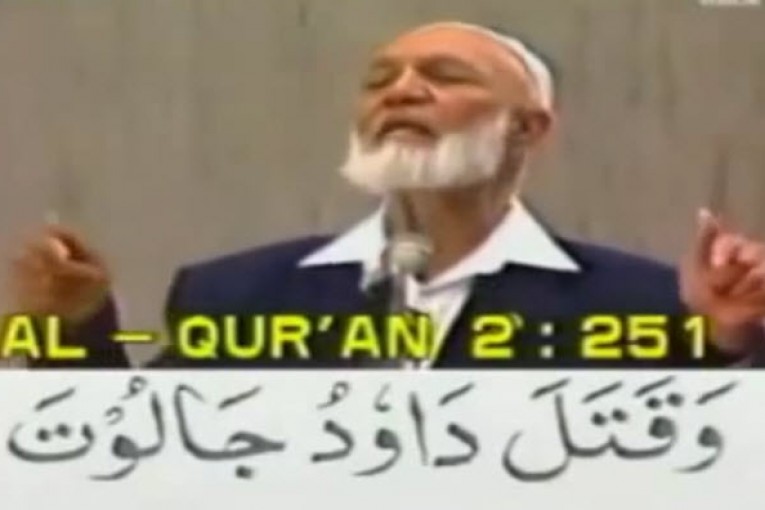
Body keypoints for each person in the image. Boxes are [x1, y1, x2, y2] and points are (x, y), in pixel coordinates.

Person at [8, 21, 765, 369]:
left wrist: (733, 342)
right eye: (379, 81)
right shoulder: (239, 296)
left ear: (527, 128)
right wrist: (75, 331)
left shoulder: (643, 305)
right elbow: (139, 464)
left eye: (445, 77)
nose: (401, 92)